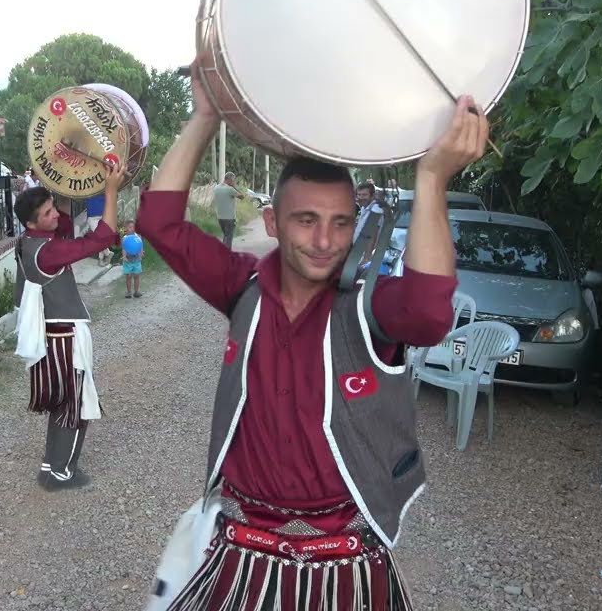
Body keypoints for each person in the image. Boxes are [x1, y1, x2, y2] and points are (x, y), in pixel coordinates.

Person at [138, 65, 487, 610]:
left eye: (341, 222)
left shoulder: (369, 306)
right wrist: (206, 113)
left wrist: (432, 178)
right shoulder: (241, 287)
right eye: (306, 220)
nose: (325, 241)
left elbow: (427, 314)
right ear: (273, 222)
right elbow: (159, 224)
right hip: (242, 553)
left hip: (347, 561)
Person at [12, 163, 126, 490]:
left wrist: (63, 177)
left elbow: (63, 224)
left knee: (62, 403)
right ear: (32, 222)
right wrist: (111, 191)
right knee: (77, 406)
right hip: (64, 335)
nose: (55, 216)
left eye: (52, 209)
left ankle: (52, 464)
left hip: (51, 335)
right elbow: (103, 238)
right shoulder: (48, 252)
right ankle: (62, 474)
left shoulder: (27, 242)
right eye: (48, 213)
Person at [212, 172, 244, 248]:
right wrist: (234, 187)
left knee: (226, 236)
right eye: (233, 180)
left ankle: (222, 253)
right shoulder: (230, 189)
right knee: (228, 239)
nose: (233, 182)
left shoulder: (216, 188)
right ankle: (226, 256)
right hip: (229, 218)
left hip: (220, 217)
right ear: (229, 180)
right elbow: (242, 196)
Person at [82, 193, 112, 265]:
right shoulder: (87, 187)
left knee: (100, 238)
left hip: (104, 214)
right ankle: (108, 253)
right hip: (92, 216)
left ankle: (101, 259)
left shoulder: (103, 185)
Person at [121, 220, 145, 299]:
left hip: (137, 260)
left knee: (136, 276)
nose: (132, 229)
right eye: (130, 227)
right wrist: (124, 256)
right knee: (128, 276)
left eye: (133, 227)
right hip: (128, 260)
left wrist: (141, 253)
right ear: (126, 228)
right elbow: (124, 248)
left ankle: (136, 291)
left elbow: (140, 246)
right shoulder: (125, 238)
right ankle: (128, 292)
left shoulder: (138, 237)